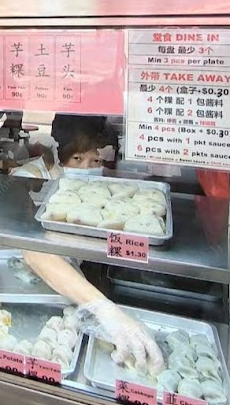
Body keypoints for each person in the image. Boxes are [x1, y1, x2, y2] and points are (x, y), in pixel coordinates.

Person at [14, 114, 164, 375]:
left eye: (95, 160)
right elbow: (34, 251)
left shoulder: (96, 189)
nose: (86, 169)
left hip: (68, 290)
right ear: (60, 152)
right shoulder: (30, 178)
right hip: (22, 292)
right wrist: (104, 309)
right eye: (77, 159)